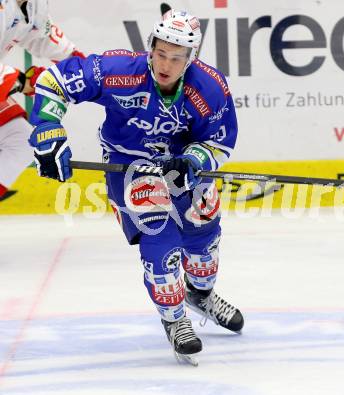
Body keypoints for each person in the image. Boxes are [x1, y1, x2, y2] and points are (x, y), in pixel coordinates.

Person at [28, 9, 244, 360]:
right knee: (161, 240)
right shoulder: (119, 72)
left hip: (181, 165)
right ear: (150, 47)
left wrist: (194, 161)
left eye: (176, 58)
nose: (166, 65)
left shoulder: (210, 87)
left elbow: (219, 142)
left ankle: (200, 295)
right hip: (129, 165)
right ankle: (174, 318)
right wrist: (47, 128)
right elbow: (54, 81)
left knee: (204, 231)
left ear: (191, 58)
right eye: (160, 53)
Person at [0, 0, 85, 201]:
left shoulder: (33, 5)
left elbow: (49, 42)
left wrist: (90, 72)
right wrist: (24, 81)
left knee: (20, 140)